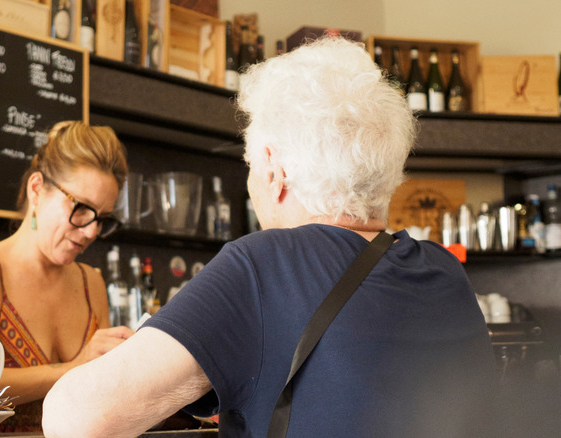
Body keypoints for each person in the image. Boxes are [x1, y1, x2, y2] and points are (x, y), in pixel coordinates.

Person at [42, 38, 496, 437]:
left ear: (274, 170)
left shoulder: (265, 264)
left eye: (250, 167)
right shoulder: (445, 272)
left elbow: (76, 418)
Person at [0, 120, 133, 432]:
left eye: (102, 218)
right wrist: (73, 369)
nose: (91, 231)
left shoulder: (92, 282)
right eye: (81, 208)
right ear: (36, 189)